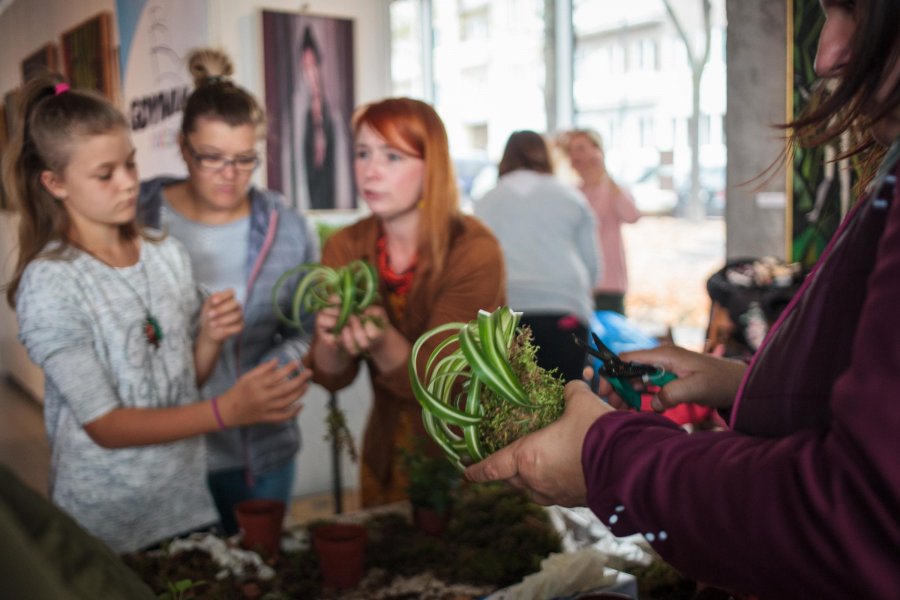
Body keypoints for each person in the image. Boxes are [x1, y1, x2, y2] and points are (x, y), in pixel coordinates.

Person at [466, 1, 900, 597]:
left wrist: (606, 457)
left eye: (851, 10)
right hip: (577, 300)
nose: (826, 56)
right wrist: (735, 381)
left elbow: (857, 517)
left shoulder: (497, 200)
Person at [3, 75, 308, 553]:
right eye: (105, 174)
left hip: (189, 505)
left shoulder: (165, 253)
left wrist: (208, 337)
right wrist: (227, 410)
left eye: (130, 163)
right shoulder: (52, 281)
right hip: (109, 524)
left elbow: (185, 379)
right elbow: (105, 425)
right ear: (55, 183)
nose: (127, 183)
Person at [138, 48, 318, 536]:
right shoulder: (137, 219)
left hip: (261, 449)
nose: (229, 175)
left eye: (244, 160)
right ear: (182, 147)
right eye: (211, 158)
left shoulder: (286, 228)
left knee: (262, 571)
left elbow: (306, 330)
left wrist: (276, 372)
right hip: (166, 449)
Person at [306, 97, 506, 507]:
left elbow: (445, 383)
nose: (370, 170)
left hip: (465, 453)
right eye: (363, 153)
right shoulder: (349, 245)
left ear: (431, 166)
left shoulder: (473, 249)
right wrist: (329, 341)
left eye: (392, 156)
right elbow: (331, 377)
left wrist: (380, 339)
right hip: (387, 448)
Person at [474, 130, 600, 382]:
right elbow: (592, 264)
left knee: (512, 407)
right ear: (546, 156)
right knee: (569, 399)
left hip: (506, 313)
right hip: (565, 308)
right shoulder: (571, 197)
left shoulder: (486, 201)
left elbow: (478, 263)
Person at [561, 128, 641, 314]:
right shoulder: (571, 193)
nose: (574, 155)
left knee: (610, 341)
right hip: (577, 286)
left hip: (609, 285)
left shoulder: (613, 189)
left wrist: (604, 174)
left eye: (580, 149)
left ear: (598, 151)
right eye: (571, 151)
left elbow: (632, 216)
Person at [293, 25, 354, 211]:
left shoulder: (332, 104)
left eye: (313, 65)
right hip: (311, 178)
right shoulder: (299, 106)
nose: (310, 73)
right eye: (305, 67)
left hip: (329, 176)